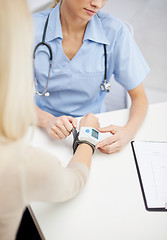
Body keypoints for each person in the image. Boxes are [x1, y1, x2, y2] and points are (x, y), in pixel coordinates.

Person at [0, 0, 100, 239]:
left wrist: (46, 120)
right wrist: (87, 138)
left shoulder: (115, 32)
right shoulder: (20, 165)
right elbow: (74, 181)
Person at [33, 0, 149, 154]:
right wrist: (47, 120)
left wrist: (128, 132)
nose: (97, 4)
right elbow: (9, 99)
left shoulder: (115, 32)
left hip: (95, 128)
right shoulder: (30, 28)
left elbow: (140, 98)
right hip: (40, 125)